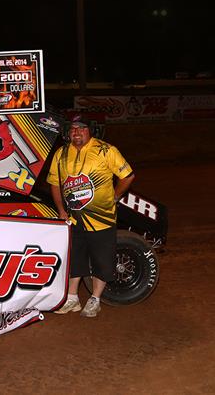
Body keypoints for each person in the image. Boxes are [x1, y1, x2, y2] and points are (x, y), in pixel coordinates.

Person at [47, 113, 135, 317]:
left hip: (101, 219)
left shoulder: (106, 150)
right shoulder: (61, 153)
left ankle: (95, 299)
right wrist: (61, 211)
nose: (76, 132)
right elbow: (54, 183)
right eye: (73, 128)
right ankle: (72, 299)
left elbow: (128, 176)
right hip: (73, 217)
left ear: (90, 131)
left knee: (101, 260)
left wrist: (115, 196)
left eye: (82, 128)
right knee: (74, 258)